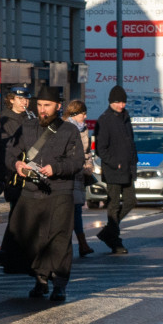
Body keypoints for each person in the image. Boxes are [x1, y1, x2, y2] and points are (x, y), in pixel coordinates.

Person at [1, 86, 83, 302]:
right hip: (31, 191)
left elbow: (77, 162)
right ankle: (40, 280)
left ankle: (59, 284)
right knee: (31, 238)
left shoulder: (70, 130)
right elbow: (10, 152)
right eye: (39, 105)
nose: (42, 109)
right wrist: (16, 163)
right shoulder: (26, 126)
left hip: (60, 191)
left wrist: (56, 168)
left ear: (58, 106)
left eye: (47, 105)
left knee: (59, 238)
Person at [94, 86, 137, 254]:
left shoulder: (126, 117)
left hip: (127, 168)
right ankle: (115, 241)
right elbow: (101, 149)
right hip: (114, 170)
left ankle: (108, 232)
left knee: (130, 201)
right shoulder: (104, 120)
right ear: (111, 102)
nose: (122, 105)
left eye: (123, 101)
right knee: (113, 204)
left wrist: (133, 162)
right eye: (118, 102)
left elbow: (130, 143)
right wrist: (115, 163)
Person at [63, 100, 95, 257]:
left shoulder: (83, 129)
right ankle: (78, 244)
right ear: (75, 114)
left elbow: (87, 151)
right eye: (83, 113)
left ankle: (81, 244)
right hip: (68, 175)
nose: (85, 116)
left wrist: (89, 165)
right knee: (70, 212)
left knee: (76, 211)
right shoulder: (65, 128)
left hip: (80, 174)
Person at [0, 85, 34, 210]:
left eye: (26, 99)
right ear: (11, 100)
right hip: (14, 173)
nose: (24, 102)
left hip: (31, 169)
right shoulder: (6, 119)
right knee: (17, 211)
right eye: (20, 99)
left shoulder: (30, 117)